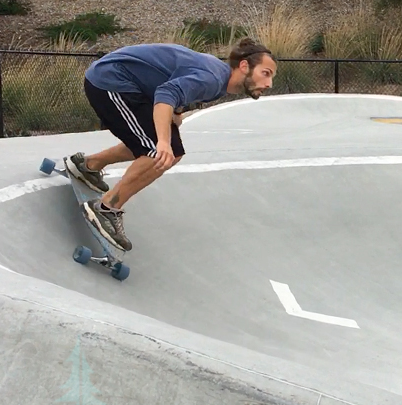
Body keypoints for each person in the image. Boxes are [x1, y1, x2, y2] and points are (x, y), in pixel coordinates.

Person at [63, 38, 277, 251]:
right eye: (265, 74)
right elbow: (166, 94)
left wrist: (176, 112)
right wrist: (163, 142)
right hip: (111, 82)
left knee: (168, 150)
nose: (269, 84)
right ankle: (106, 208)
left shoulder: (219, 78)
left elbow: (177, 79)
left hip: (128, 83)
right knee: (159, 150)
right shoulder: (212, 79)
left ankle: (88, 165)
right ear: (244, 66)